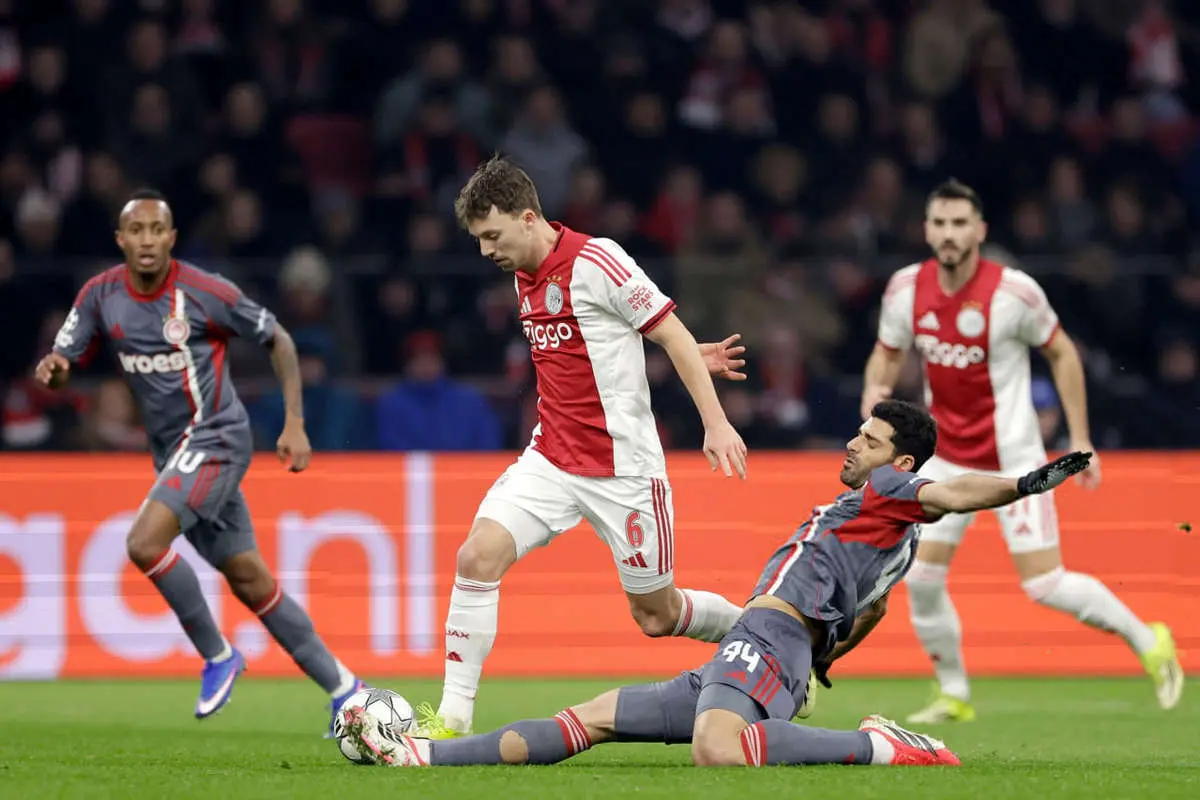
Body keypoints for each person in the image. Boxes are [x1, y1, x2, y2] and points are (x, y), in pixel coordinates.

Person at [340, 400, 1095, 768]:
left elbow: (954, 492)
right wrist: (825, 658)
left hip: (767, 637)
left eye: (868, 440)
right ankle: (421, 759)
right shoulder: (890, 532)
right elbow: (874, 609)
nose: (852, 443)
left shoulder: (895, 488)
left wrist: (1022, 485)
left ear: (900, 461)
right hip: (759, 646)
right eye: (858, 433)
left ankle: (882, 748)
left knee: (717, 749)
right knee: (592, 719)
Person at [421, 156, 750, 738]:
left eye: (492, 236)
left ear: (528, 218)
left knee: (657, 615)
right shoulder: (522, 270)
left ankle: (763, 640)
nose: (486, 251)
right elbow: (600, 344)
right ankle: (451, 720)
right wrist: (678, 354)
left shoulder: (598, 261)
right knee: (476, 558)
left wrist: (716, 423)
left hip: (624, 471)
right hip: (550, 459)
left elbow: (668, 332)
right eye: (478, 240)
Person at [35, 189, 365, 733]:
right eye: (136, 230)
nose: (146, 240)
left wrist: (294, 422)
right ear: (120, 240)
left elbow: (279, 339)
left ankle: (218, 655)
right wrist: (56, 371)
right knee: (250, 579)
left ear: (171, 238)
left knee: (143, 543)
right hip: (174, 455)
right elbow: (63, 361)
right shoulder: (99, 295)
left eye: (156, 230)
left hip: (217, 439)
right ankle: (346, 690)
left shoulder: (205, 291)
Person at [860, 179, 1183, 722]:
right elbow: (886, 353)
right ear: (926, 230)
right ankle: (954, 693)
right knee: (923, 577)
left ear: (980, 230)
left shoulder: (1015, 293)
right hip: (946, 461)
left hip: (1015, 460)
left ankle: (1148, 639)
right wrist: (876, 388)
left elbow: (1063, 353)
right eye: (940, 223)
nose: (949, 233)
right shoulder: (905, 289)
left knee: (1044, 584)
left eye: (960, 223)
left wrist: (1080, 438)